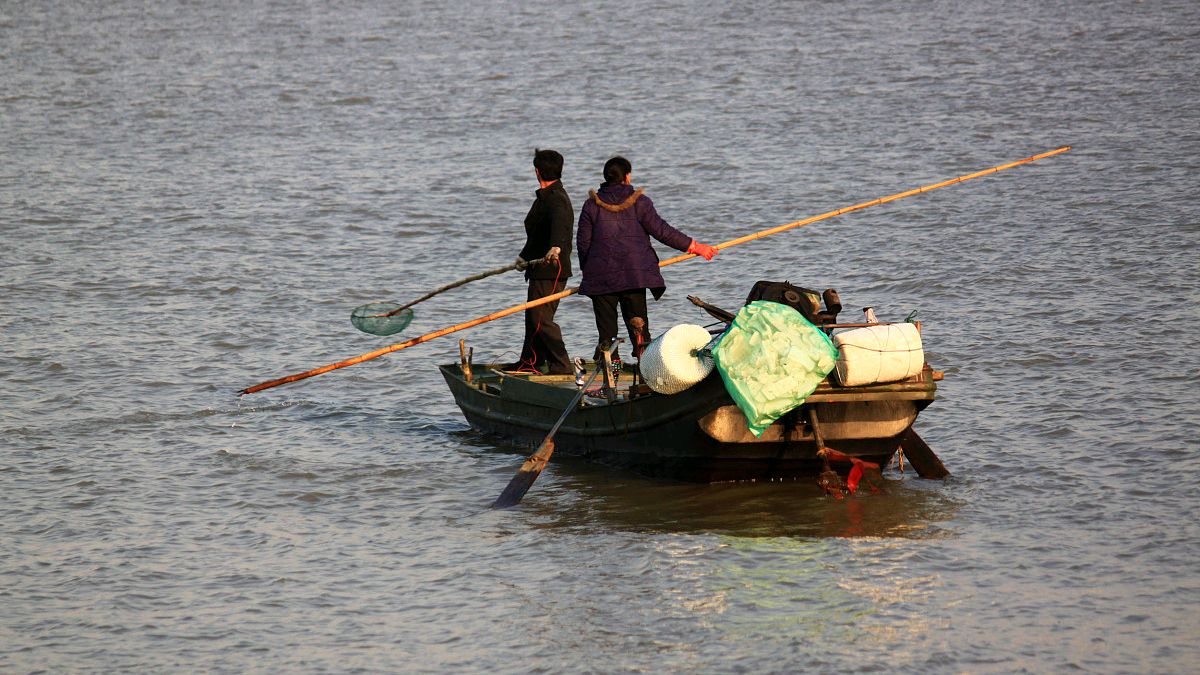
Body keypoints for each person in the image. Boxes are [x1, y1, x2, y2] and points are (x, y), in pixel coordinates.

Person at [576, 156, 718, 361]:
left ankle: (610, 380)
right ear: (627, 177)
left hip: (601, 279)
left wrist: (589, 272)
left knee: (608, 337)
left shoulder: (591, 205)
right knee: (639, 331)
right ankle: (646, 376)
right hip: (634, 276)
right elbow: (662, 231)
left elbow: (583, 245)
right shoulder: (639, 202)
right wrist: (695, 247)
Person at [505, 148, 574, 375]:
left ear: (537, 171)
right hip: (538, 268)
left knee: (541, 319)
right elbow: (536, 237)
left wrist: (556, 246)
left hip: (553, 269)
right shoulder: (544, 198)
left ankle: (562, 366)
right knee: (532, 318)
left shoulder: (557, 199)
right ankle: (530, 362)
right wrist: (523, 258)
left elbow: (560, 224)